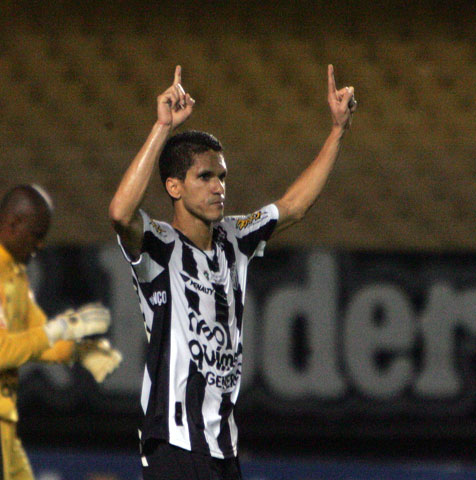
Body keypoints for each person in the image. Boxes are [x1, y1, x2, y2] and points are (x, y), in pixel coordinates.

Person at [109, 65, 356, 480]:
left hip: (222, 443)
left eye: (222, 176)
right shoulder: (158, 245)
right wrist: (161, 127)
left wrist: (337, 131)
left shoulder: (236, 235)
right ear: (174, 187)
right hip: (173, 442)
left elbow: (294, 205)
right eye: (204, 177)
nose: (218, 186)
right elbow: (120, 213)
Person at [0, 184, 122, 480]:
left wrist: (79, 352)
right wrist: (61, 327)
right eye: (36, 235)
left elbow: (39, 339)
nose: (39, 246)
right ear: (13, 224)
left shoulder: (13, 275)